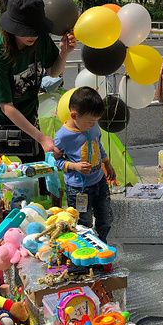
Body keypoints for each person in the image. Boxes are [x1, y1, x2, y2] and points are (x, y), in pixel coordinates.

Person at [0, 0, 76, 241]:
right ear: (11, 28)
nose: (31, 35)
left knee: (41, 173)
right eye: (26, 30)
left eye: (35, 29)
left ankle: (45, 229)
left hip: (26, 117)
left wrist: (64, 52)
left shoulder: (40, 39)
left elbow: (52, 71)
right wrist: (43, 137)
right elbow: (6, 107)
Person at [54, 87, 117, 242]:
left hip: (100, 181)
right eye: (90, 121)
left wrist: (107, 163)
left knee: (106, 217)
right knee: (83, 223)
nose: (93, 125)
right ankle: (86, 248)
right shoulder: (63, 136)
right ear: (74, 115)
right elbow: (57, 162)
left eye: (96, 121)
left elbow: (98, 145)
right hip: (78, 188)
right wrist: (74, 167)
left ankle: (102, 244)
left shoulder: (92, 126)